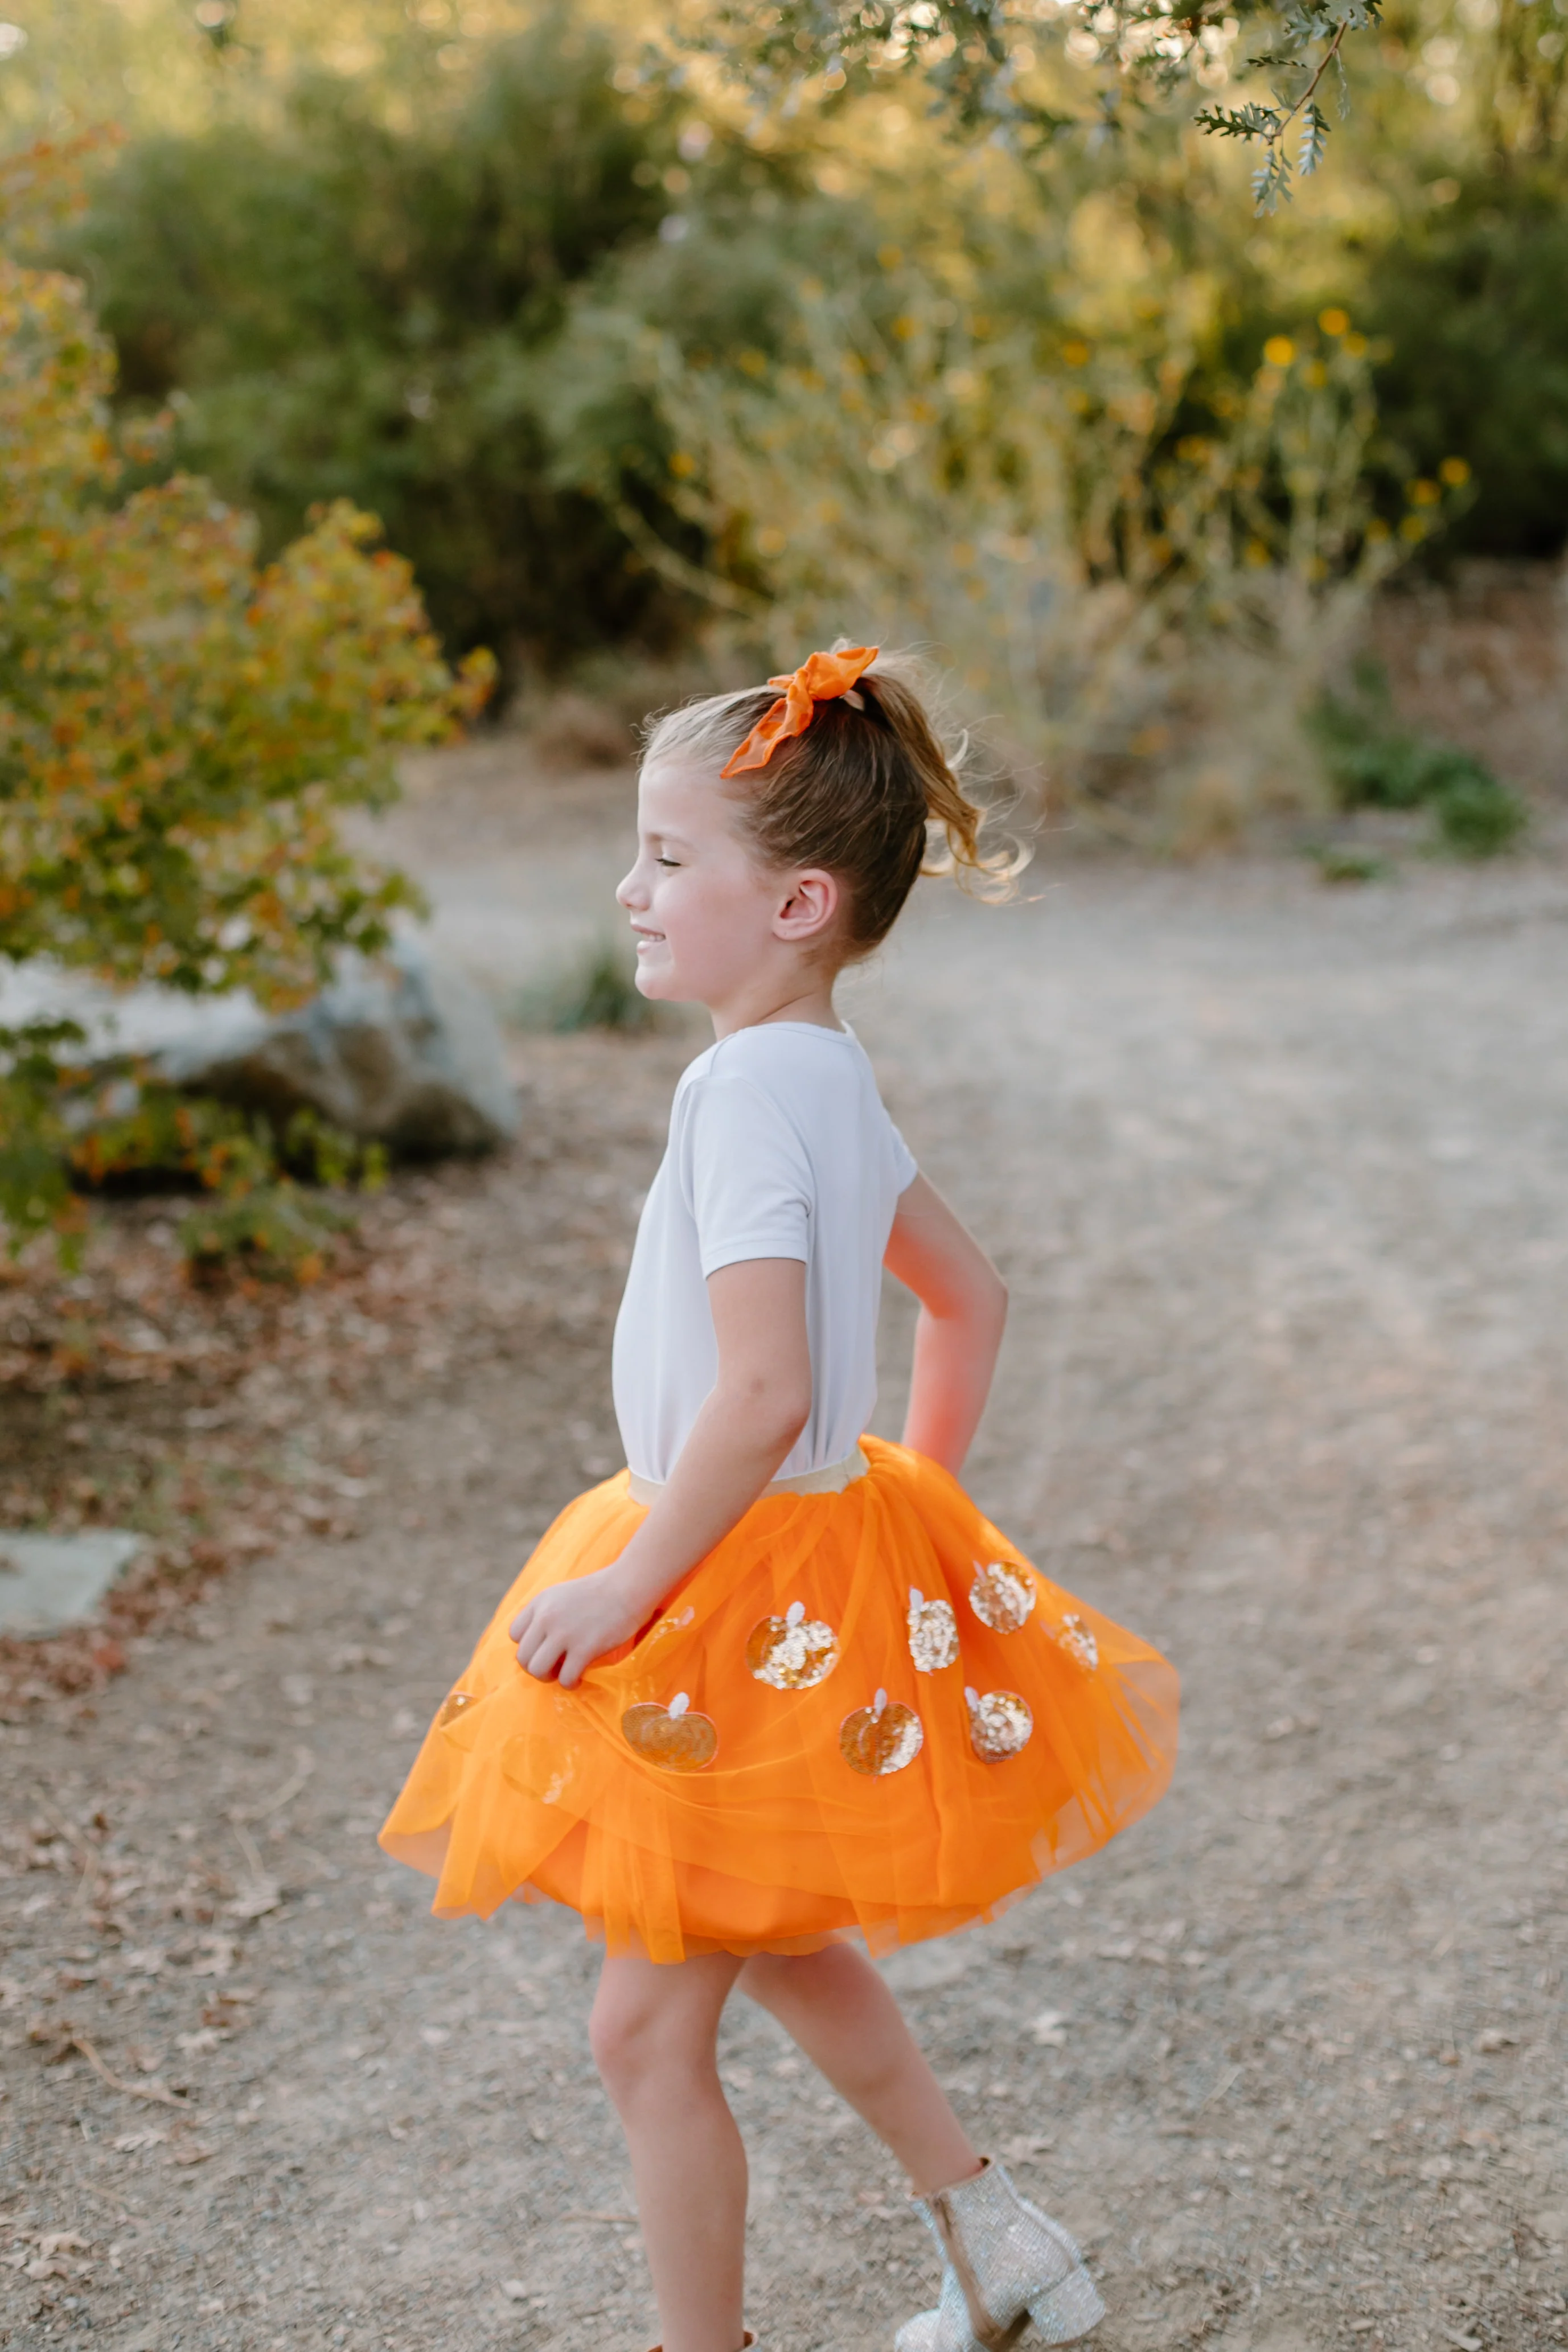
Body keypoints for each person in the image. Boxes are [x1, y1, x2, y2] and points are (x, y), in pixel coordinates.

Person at [380, 647, 1179, 2352]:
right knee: (783, 1931)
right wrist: (919, 1523)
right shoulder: (827, 1072)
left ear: (798, 900)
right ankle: (997, 2239)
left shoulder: (744, 1091)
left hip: (722, 1573)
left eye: (671, 860)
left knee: (641, 2033)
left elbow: (763, 1394)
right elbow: (971, 1300)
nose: (631, 889)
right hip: (807, 1562)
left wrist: (633, 1589)